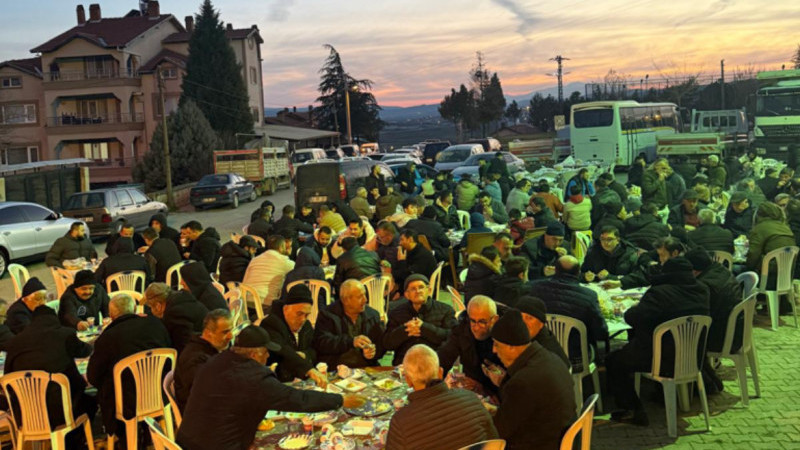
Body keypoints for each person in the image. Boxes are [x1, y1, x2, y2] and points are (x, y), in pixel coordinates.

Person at [177, 326, 358, 450]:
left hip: (184, 441)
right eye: (266, 352)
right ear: (255, 354)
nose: (268, 356)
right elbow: (297, 399)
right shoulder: (254, 377)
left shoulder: (215, 361)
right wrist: (340, 400)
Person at [605, 257, 710, 426]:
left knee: (614, 360)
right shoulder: (702, 290)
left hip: (661, 358)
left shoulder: (659, 293)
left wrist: (634, 307)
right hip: (692, 355)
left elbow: (633, 318)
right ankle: (661, 394)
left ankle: (632, 410)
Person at [4, 304, 95, 449]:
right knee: (91, 401)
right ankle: (72, 443)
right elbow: (85, 351)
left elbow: (7, 378)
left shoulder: (15, 342)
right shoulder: (65, 334)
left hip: (26, 415)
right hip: (61, 412)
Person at [87, 293, 171, 443]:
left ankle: (125, 439)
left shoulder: (108, 337)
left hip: (127, 403)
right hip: (159, 393)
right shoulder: (156, 325)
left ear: (111, 316)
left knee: (108, 388)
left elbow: (93, 377)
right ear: (134, 309)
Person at [491, 309, 575, 450]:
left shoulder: (523, 381)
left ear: (511, 346)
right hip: (563, 438)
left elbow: (499, 432)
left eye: (496, 344)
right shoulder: (550, 357)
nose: (494, 350)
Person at [386, 344, 498, 450]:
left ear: (408, 380)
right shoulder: (472, 399)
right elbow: (495, 442)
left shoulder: (400, 422)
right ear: (440, 373)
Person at [685, 248, 743, 392]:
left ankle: (698, 384)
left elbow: (698, 317)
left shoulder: (706, 285)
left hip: (722, 338)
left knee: (683, 337)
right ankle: (706, 380)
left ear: (694, 271)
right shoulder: (721, 271)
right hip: (736, 329)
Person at [535, 257, 607, 366]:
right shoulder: (589, 296)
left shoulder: (534, 289)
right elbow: (601, 332)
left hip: (542, 353)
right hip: (577, 357)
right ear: (578, 272)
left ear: (555, 270)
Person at [260, 284, 327, 385]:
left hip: (301, 380)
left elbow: (314, 349)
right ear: (285, 309)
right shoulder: (271, 323)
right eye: (299, 314)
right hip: (278, 381)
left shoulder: (306, 325)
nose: (303, 319)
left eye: (307, 315)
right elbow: (283, 351)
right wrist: (309, 369)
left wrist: (305, 355)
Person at [383, 274, 456, 365]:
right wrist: (405, 330)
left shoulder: (445, 310)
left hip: (435, 363)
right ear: (407, 295)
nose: (418, 291)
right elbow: (387, 343)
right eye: (413, 289)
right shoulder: (397, 313)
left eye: (421, 287)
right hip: (404, 363)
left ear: (429, 290)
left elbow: (452, 338)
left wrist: (424, 328)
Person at [437, 295, 504, 394]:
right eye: (473, 321)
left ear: (495, 319)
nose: (476, 328)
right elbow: (444, 356)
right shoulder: (462, 329)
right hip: (471, 389)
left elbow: (514, 382)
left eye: (482, 322)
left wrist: (484, 389)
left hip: (498, 392)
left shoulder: (506, 336)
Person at [313, 279, 386, 367]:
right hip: (337, 367)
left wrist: (373, 352)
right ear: (346, 300)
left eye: (365, 295)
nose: (365, 300)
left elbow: (381, 345)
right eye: (360, 297)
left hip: (366, 367)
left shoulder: (372, 315)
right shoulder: (327, 315)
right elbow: (322, 343)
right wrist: (351, 341)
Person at [174, 309, 233, 412]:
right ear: (208, 333)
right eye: (225, 332)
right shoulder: (194, 359)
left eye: (231, 330)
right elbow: (206, 392)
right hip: (199, 412)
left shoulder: (215, 348)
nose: (230, 336)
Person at [144, 282, 209, 354]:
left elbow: (182, 344)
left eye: (150, 307)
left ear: (158, 306)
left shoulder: (174, 313)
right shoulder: (180, 298)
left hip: (202, 350)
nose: (151, 311)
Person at [746, 202, 796, 282]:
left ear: (758, 215)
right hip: (786, 276)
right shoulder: (785, 228)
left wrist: (747, 268)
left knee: (737, 270)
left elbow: (753, 255)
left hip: (767, 276)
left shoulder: (760, 228)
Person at [243, 234, 295, 306]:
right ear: (281, 247)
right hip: (266, 303)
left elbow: (245, 281)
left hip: (246, 301)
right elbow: (297, 276)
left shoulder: (254, 260)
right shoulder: (286, 262)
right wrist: (288, 255)